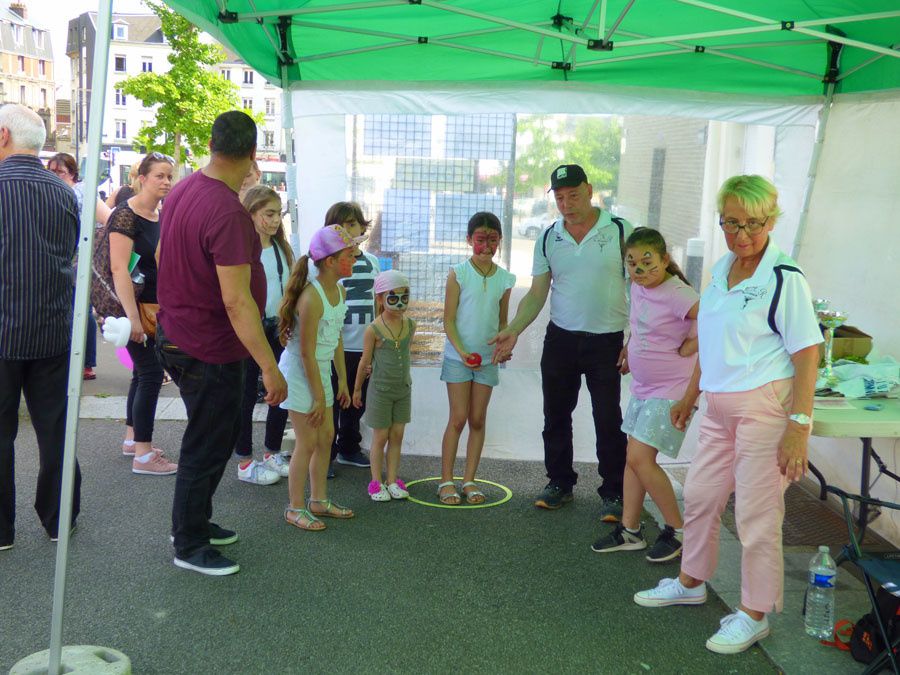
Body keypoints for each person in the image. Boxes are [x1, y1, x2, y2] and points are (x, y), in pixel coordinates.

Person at [634, 175, 822, 655]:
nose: (742, 234)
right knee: (699, 495)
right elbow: (712, 341)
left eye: (753, 223)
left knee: (758, 516)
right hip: (718, 406)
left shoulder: (784, 277)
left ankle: (754, 614)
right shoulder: (721, 270)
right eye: (731, 223)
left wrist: (800, 426)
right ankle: (691, 581)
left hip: (764, 409)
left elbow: (807, 352)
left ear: (771, 220)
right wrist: (690, 396)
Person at [156, 110, 287, 576]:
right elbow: (237, 302)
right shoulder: (228, 211)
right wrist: (270, 366)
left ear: (212, 144)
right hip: (208, 344)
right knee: (207, 443)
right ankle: (188, 542)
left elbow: (160, 256)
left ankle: (195, 523)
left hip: (181, 333)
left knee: (210, 436)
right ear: (253, 155)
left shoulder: (185, 189)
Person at [490, 164, 632, 515]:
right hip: (561, 339)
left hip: (607, 341)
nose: (567, 203)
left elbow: (641, 288)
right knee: (554, 414)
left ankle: (614, 491)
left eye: (573, 194)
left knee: (608, 418)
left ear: (589, 189)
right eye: (560, 196)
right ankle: (559, 482)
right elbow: (538, 294)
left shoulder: (621, 230)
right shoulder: (549, 236)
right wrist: (513, 329)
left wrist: (636, 340)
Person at [0, 104, 81, 549]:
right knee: (55, 428)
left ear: (4, 135)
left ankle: (2, 528)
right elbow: (68, 255)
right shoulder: (64, 193)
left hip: (3, 329)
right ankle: (59, 517)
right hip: (51, 327)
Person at [591, 228, 698, 562]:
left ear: (665, 259)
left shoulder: (678, 293)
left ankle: (679, 530)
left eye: (647, 261)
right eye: (632, 262)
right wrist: (629, 347)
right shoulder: (638, 288)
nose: (638, 269)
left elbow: (717, 323)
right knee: (632, 460)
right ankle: (630, 530)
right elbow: (641, 325)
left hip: (671, 390)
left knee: (640, 458)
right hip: (643, 388)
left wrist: (694, 343)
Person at [280, 225, 363, 531]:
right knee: (308, 441)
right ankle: (295, 507)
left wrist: (341, 379)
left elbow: (336, 338)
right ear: (330, 261)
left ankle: (319, 500)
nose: (354, 261)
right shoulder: (311, 297)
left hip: (320, 371)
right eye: (349, 256)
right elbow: (305, 352)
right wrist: (318, 395)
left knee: (327, 437)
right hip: (302, 374)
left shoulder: (339, 291)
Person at [438, 212, 515, 505]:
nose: (486, 247)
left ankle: (469, 480)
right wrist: (461, 352)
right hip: (458, 359)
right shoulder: (458, 273)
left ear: (500, 242)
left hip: (487, 360)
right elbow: (448, 320)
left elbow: (504, 322)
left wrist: (505, 344)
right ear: (469, 240)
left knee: (478, 420)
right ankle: (446, 480)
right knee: (457, 419)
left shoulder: (505, 279)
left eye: (492, 240)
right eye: (480, 240)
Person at [108, 152, 177, 475]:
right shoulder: (126, 215)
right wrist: (132, 317)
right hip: (134, 311)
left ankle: (132, 439)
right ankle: (144, 455)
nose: (165, 182)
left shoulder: (158, 215)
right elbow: (119, 267)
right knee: (150, 374)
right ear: (142, 178)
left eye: (169, 176)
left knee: (142, 373)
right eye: (159, 176)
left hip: (154, 308)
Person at [234, 186, 293, 485]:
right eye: (268, 214)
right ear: (252, 212)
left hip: (277, 328)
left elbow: (289, 288)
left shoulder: (282, 249)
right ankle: (244, 460)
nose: (274, 220)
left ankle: (271, 451)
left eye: (278, 214)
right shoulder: (241, 249)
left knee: (280, 391)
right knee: (244, 395)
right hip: (249, 329)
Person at [47, 152, 111, 381]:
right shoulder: (54, 191)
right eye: (51, 171)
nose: (54, 175)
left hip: (79, 259)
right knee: (74, 309)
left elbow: (108, 218)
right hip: (62, 258)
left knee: (79, 310)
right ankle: (78, 361)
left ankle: (85, 363)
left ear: (72, 174)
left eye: (60, 172)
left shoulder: (81, 191)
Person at [353, 270, 416, 502]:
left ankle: (392, 480)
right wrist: (358, 389)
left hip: (403, 389)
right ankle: (375, 481)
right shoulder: (373, 329)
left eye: (404, 297)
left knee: (397, 435)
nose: (400, 304)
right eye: (393, 298)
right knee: (380, 437)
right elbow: (364, 361)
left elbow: (404, 354)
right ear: (379, 298)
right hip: (380, 391)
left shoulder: (410, 325)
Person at [327, 201, 380, 476]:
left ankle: (349, 448)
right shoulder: (329, 263)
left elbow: (379, 302)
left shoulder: (372, 263)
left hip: (364, 347)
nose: (347, 231)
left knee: (357, 402)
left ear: (362, 227)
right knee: (332, 401)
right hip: (335, 347)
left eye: (352, 224)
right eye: (340, 226)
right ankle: (325, 455)